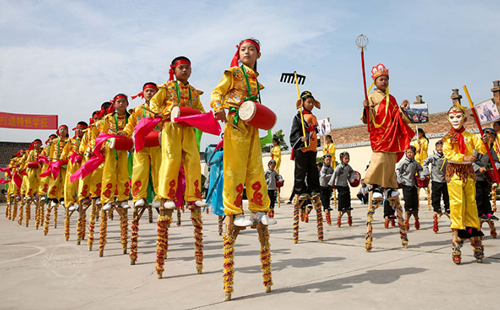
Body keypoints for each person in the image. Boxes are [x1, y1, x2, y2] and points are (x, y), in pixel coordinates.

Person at [211, 38, 275, 227]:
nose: (247, 52)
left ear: (258, 54)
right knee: (234, 169)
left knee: (255, 167)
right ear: (238, 54)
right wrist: (218, 108)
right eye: (243, 50)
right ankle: (234, 210)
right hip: (235, 124)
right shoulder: (233, 73)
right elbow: (217, 92)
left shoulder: (255, 79)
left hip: (251, 126)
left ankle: (258, 210)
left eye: (251, 49)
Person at [151, 57, 206, 210]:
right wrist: (158, 113)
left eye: (187, 68)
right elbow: (154, 103)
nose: (184, 70)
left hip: (188, 128)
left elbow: (200, 109)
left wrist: (207, 118)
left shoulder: (194, 92)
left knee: (193, 159)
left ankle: (193, 196)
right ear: (173, 70)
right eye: (181, 67)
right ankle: (166, 196)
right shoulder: (166, 87)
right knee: (171, 159)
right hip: (171, 126)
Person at [443, 104, 489, 264]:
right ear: (448, 119)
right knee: (457, 205)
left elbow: (482, 149)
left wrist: (485, 141)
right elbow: (448, 154)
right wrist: (464, 158)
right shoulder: (448, 138)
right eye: (452, 117)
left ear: (465, 118)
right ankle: (456, 242)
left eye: (458, 116)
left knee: (471, 205)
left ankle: (477, 244)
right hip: (454, 174)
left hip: (468, 174)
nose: (455, 120)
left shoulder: (471, 136)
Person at [361, 63, 414, 199]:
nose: (384, 82)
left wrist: (401, 108)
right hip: (379, 134)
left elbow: (398, 116)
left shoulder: (392, 98)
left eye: (386, 79)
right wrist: (367, 108)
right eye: (381, 79)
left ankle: (390, 187)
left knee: (390, 161)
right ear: (375, 81)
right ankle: (375, 186)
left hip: (392, 133)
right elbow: (368, 118)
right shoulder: (371, 97)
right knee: (380, 160)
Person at [123, 82, 162, 208]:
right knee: (139, 170)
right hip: (142, 144)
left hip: (158, 144)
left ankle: (159, 196)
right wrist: (124, 133)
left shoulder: (163, 108)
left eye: (152, 91)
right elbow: (130, 125)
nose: (150, 93)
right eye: (147, 91)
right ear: (143, 94)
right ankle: (139, 196)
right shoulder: (138, 110)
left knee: (159, 170)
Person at [101, 94, 131, 211]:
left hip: (124, 148)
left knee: (123, 173)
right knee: (109, 173)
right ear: (114, 104)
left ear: (127, 104)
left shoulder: (131, 117)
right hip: (110, 148)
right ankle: (107, 199)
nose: (121, 104)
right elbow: (103, 133)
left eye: (124, 101)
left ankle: (123, 199)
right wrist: (103, 146)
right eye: (119, 102)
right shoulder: (108, 118)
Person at [290, 91, 321, 200]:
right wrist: (300, 138)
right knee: (301, 170)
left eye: (312, 102)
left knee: (313, 170)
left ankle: (314, 190)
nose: (311, 104)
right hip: (303, 148)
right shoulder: (298, 117)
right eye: (308, 102)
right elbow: (294, 132)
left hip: (312, 148)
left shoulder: (314, 116)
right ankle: (301, 190)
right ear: (302, 103)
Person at [472, 127, 500, 222]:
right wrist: (478, 168)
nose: (488, 138)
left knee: (485, 193)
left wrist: (497, 165)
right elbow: (469, 161)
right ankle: (480, 213)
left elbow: (495, 159)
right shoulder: (476, 146)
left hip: (483, 176)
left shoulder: (490, 148)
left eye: (491, 137)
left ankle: (488, 212)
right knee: (478, 195)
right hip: (474, 175)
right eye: (486, 136)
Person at [62, 121, 88, 211]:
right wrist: (63, 158)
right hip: (73, 163)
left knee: (83, 181)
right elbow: (64, 152)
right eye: (77, 129)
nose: (79, 131)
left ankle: (82, 200)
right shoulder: (71, 140)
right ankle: (69, 202)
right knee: (70, 182)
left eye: (81, 129)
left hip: (84, 162)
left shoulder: (87, 140)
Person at [396, 146, 423, 230]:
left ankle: (416, 219)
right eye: (408, 152)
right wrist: (400, 180)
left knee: (415, 202)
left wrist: (421, 176)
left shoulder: (415, 163)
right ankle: (407, 220)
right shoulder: (403, 163)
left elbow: (420, 170)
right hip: (406, 184)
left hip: (413, 184)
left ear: (414, 153)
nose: (409, 154)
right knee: (408, 202)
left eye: (411, 152)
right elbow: (397, 171)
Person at [422, 140, 450, 214]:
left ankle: (448, 207)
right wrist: (426, 172)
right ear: (435, 148)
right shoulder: (433, 157)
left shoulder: (447, 156)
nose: (440, 148)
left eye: (442, 147)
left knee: (447, 195)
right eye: (438, 147)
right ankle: (437, 208)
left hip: (445, 180)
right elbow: (425, 163)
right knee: (436, 195)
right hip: (436, 179)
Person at [45, 125, 69, 208]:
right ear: (58, 131)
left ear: (67, 132)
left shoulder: (69, 141)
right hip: (55, 162)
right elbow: (50, 152)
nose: (62, 131)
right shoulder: (54, 141)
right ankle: (53, 198)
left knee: (64, 179)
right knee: (54, 179)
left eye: (64, 130)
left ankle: (62, 197)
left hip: (64, 162)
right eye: (61, 129)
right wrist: (50, 161)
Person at [328, 151, 354, 224]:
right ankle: (340, 212)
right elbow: (334, 175)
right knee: (341, 197)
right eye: (346, 158)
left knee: (347, 197)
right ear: (341, 159)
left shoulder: (348, 167)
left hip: (346, 184)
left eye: (348, 158)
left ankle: (348, 210)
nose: (347, 160)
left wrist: (351, 179)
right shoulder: (339, 167)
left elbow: (352, 172)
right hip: (339, 185)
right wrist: (331, 183)